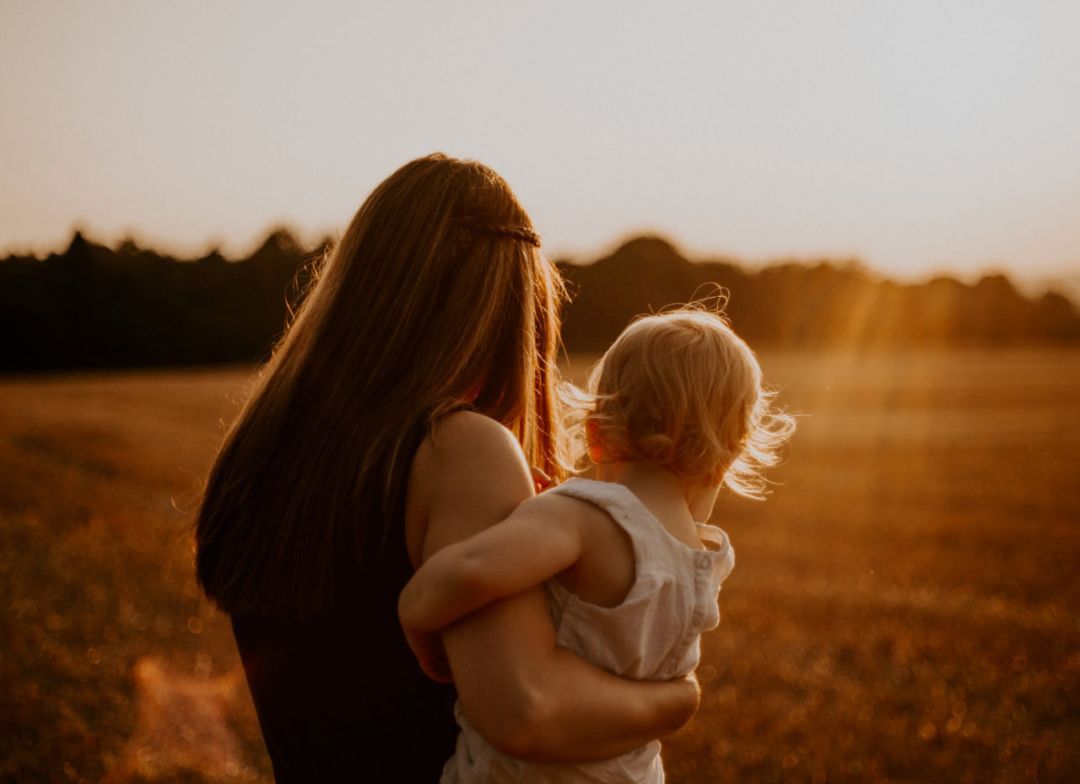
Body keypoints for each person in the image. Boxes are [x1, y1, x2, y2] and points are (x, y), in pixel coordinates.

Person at [194, 153, 701, 782]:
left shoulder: (268, 450)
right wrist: (675, 700)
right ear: (512, 313)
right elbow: (526, 712)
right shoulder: (459, 449)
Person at [398, 307, 796, 782]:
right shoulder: (703, 562)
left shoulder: (581, 518)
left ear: (595, 433)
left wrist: (415, 612)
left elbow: (473, 568)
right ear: (725, 459)